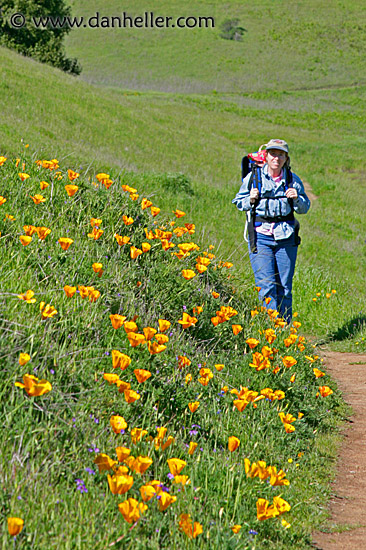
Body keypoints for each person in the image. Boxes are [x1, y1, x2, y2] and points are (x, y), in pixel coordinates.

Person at [232, 139, 310, 322]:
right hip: (261, 237)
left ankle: (285, 333)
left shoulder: (293, 180)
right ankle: (271, 331)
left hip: (286, 238)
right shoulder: (253, 178)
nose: (277, 158)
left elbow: (305, 207)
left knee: (284, 287)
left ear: (286, 158)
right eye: (273, 153)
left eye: (281, 154)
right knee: (266, 287)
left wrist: (297, 198)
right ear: (266, 156)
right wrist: (250, 200)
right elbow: (238, 202)